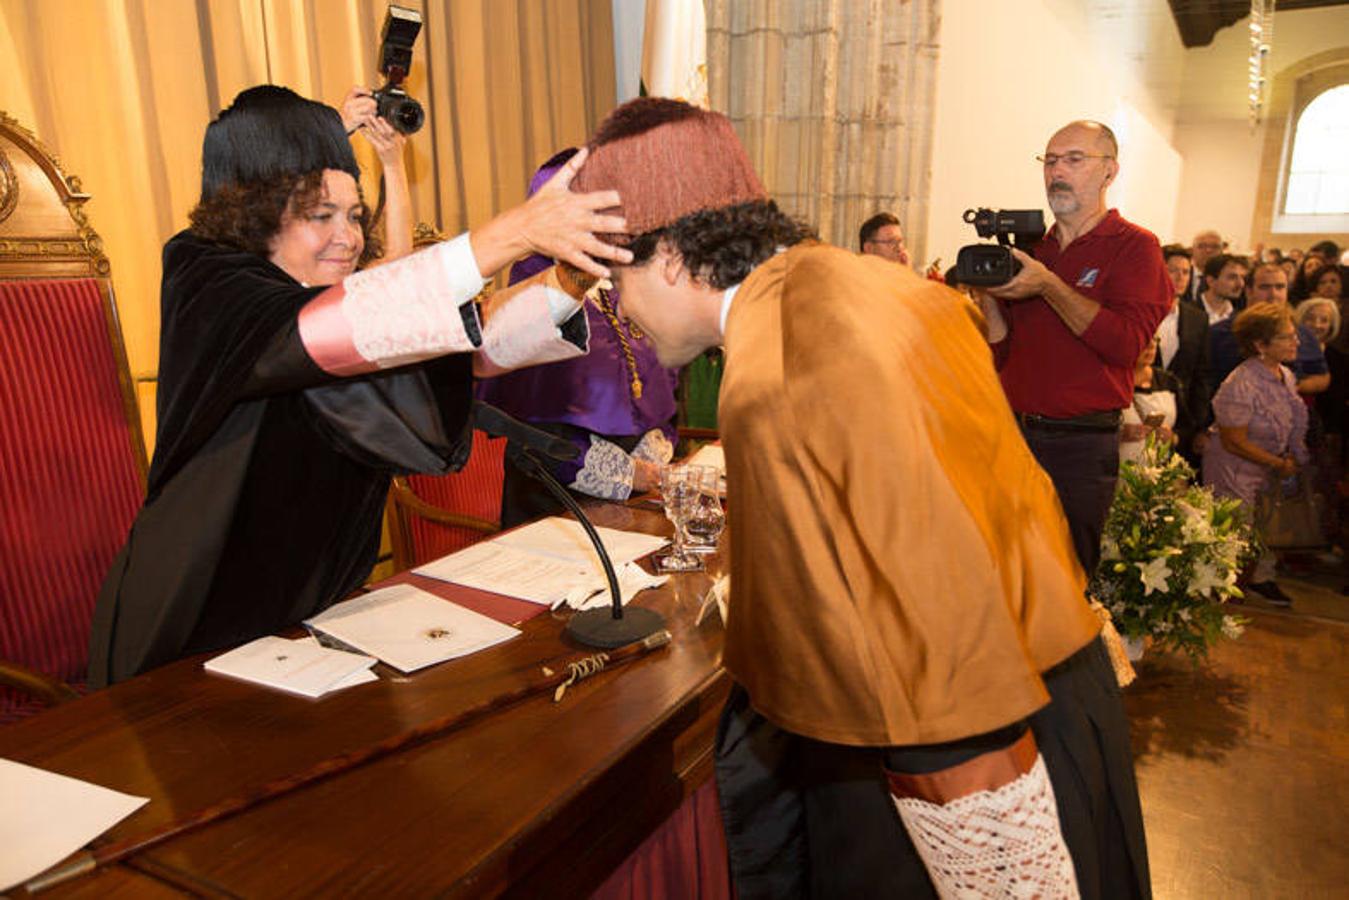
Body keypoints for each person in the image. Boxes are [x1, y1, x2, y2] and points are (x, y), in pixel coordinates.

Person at [575, 97, 1149, 899]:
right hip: (1046, 690)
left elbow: (925, 655)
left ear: (668, 257)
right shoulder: (860, 286)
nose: (616, 312)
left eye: (613, 282)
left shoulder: (778, 361)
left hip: (967, 761)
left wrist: (1002, 879)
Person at [88, 85, 632, 685]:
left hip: (310, 624)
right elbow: (322, 331)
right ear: (256, 213)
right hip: (193, 633)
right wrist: (512, 234)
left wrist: (567, 279)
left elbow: (460, 348)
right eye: (321, 215)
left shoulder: (331, 309)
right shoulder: (206, 279)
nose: (347, 237)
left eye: (353, 215)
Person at [976, 120, 1172, 575]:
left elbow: (1125, 345)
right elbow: (1004, 358)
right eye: (1050, 160)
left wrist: (1049, 286)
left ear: (1110, 171)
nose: (1056, 171)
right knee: (1002, 570)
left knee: (1065, 578)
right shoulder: (1033, 250)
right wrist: (989, 302)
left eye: (1074, 159)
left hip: (1079, 447)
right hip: (1013, 435)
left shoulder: (1134, 247)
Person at [476, 149, 679, 526]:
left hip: (636, 498)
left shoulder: (615, 284)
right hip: (555, 498)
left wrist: (649, 454)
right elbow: (533, 417)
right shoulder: (531, 285)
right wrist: (624, 472)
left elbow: (655, 384)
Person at [1203, 303, 1309, 607]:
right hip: (1233, 468)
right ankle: (1223, 593)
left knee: (1262, 531)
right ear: (1260, 345)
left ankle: (1258, 581)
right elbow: (1233, 441)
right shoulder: (1240, 383)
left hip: (1265, 468)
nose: (1296, 342)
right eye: (1286, 337)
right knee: (1234, 535)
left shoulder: (1284, 374)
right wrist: (1278, 463)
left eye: (1294, 335)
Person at [1207, 262, 1327, 398]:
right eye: (1265, 287)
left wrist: (1289, 384)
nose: (1273, 294)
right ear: (1249, 291)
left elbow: (1322, 376)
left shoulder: (1303, 333)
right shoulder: (1220, 333)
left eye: (1280, 287)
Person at [1159, 245, 1210, 465]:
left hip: (1183, 421)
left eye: (1186, 272)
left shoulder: (1198, 318)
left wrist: (1199, 425)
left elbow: (1202, 375)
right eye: (1173, 270)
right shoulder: (1139, 313)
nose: (1181, 277)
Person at [1119, 338, 1178, 467]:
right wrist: (1120, 434)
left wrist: (1172, 437)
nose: (1151, 345)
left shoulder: (1168, 380)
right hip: (1123, 465)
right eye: (1145, 339)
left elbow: (1186, 427)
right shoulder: (1113, 381)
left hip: (1161, 466)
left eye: (1155, 339)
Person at [1186, 229, 1225, 304]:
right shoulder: (1183, 274)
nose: (1208, 250)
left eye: (1215, 247)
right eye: (1202, 246)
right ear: (1192, 250)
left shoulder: (1227, 279)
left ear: (1222, 251)